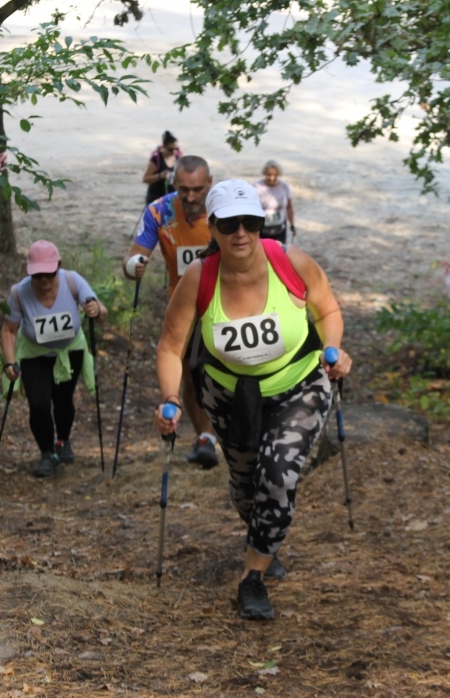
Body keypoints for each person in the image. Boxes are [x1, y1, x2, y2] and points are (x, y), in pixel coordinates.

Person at [153, 179, 352, 620]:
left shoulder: (292, 262)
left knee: (278, 473)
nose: (240, 233)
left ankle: (252, 578)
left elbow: (329, 310)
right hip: (229, 395)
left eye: (250, 222)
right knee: (246, 484)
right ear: (214, 229)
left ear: (262, 224)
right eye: (228, 224)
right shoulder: (197, 279)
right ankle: (265, 538)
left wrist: (334, 348)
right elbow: (170, 347)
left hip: (299, 384)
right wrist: (171, 398)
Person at [126, 156, 221, 469]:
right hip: (185, 306)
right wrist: (134, 267)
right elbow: (134, 257)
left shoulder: (226, 209)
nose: (191, 197)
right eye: (184, 190)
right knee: (192, 375)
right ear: (173, 185)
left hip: (228, 302)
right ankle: (205, 437)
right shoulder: (159, 211)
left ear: (210, 183)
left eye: (198, 189)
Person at [1, 240, 108, 477]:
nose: (44, 281)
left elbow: (100, 309)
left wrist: (96, 310)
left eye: (49, 274)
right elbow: (8, 330)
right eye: (37, 275)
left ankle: (64, 440)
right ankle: (47, 453)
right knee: (38, 405)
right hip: (34, 354)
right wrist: (9, 362)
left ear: (58, 267)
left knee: (63, 401)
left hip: (70, 352)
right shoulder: (19, 292)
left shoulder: (72, 281)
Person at [253, 160, 295, 244]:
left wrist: (292, 225)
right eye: (269, 175)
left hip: (280, 228)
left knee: (279, 253)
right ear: (264, 173)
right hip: (261, 229)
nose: (272, 178)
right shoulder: (256, 187)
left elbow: (289, 207)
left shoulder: (285, 187)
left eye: (275, 175)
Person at [143, 131, 181, 205]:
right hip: (156, 199)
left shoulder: (177, 157)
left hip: (172, 198)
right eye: (171, 149)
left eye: (176, 149)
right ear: (163, 147)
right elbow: (145, 179)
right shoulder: (156, 159)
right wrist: (160, 176)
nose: (174, 152)